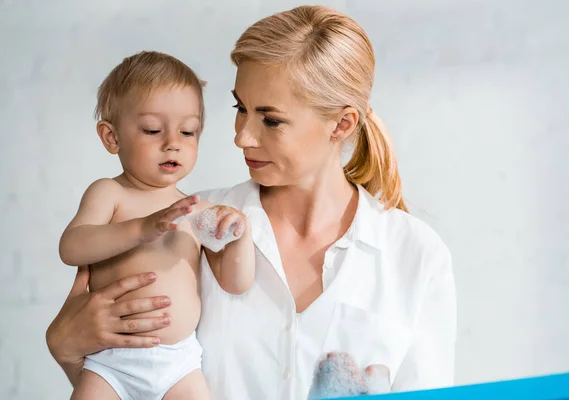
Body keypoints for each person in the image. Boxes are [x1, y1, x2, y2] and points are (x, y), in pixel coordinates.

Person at [46, 6, 456, 400]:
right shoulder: (184, 224)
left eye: (271, 119)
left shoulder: (416, 256)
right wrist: (66, 349)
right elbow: (130, 374)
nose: (241, 136)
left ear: (342, 124)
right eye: (240, 109)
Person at [57, 50, 255, 400]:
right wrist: (140, 229)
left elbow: (236, 283)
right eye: (152, 129)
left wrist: (240, 238)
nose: (172, 143)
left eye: (188, 131)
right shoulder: (111, 193)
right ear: (111, 137)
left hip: (178, 364)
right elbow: (72, 248)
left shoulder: (196, 210)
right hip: (109, 363)